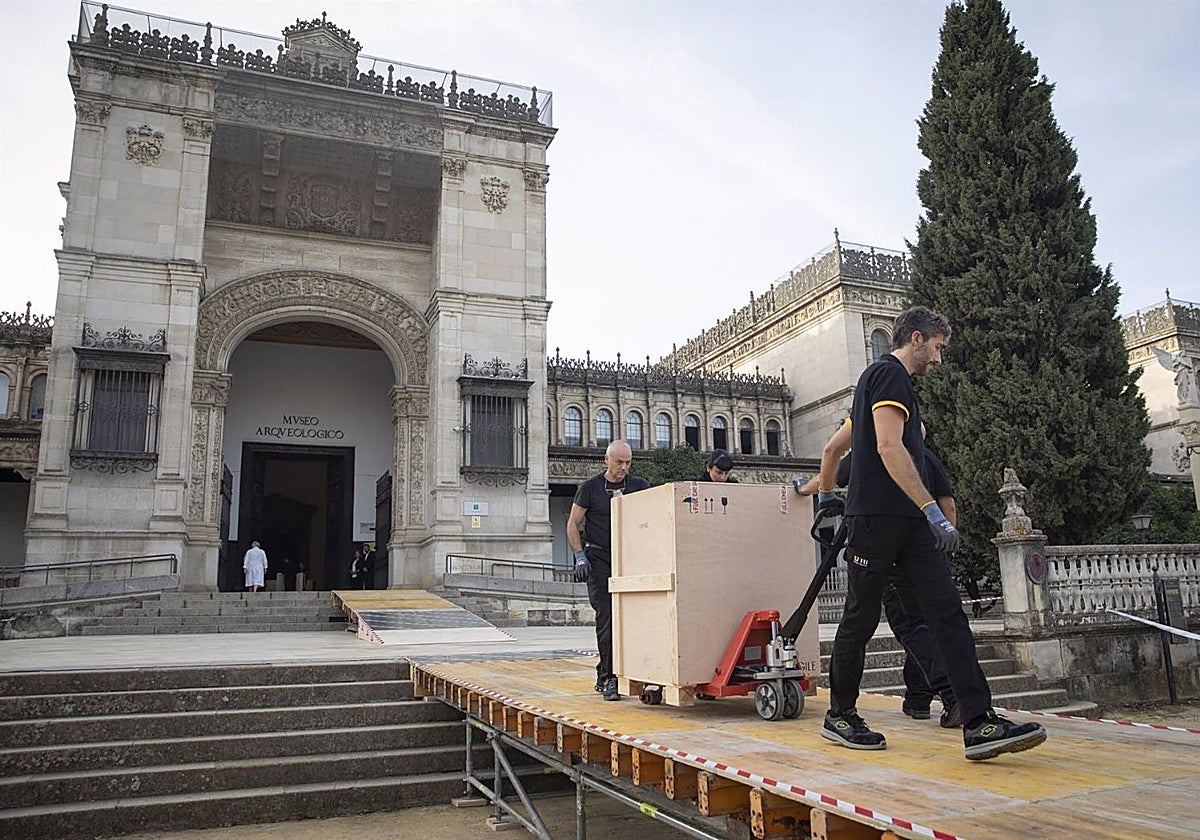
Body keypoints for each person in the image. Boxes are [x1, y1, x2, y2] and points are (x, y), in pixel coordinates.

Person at [813, 306, 1046, 761]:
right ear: (917, 339)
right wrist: (932, 510)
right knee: (860, 619)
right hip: (878, 521)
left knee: (948, 614)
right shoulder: (887, 374)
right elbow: (886, 445)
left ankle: (979, 722)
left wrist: (827, 502)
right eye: (938, 348)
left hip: (909, 525)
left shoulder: (889, 384)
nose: (939, 360)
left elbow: (833, 449)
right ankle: (840, 714)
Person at [798, 426, 960, 727]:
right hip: (925, 551)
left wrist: (803, 490)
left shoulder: (867, 455)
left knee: (899, 625)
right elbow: (947, 503)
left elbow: (828, 472)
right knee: (920, 623)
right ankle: (918, 698)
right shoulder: (929, 460)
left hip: (888, 548)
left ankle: (950, 694)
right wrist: (945, 548)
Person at [567, 440, 651, 701]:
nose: (623, 467)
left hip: (629, 557)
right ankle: (608, 678)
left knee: (637, 617)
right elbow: (572, 523)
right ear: (607, 460)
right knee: (607, 618)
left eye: (627, 462)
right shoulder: (589, 488)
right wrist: (580, 556)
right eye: (618, 462)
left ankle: (637, 673)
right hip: (599, 556)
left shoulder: (639, 486)